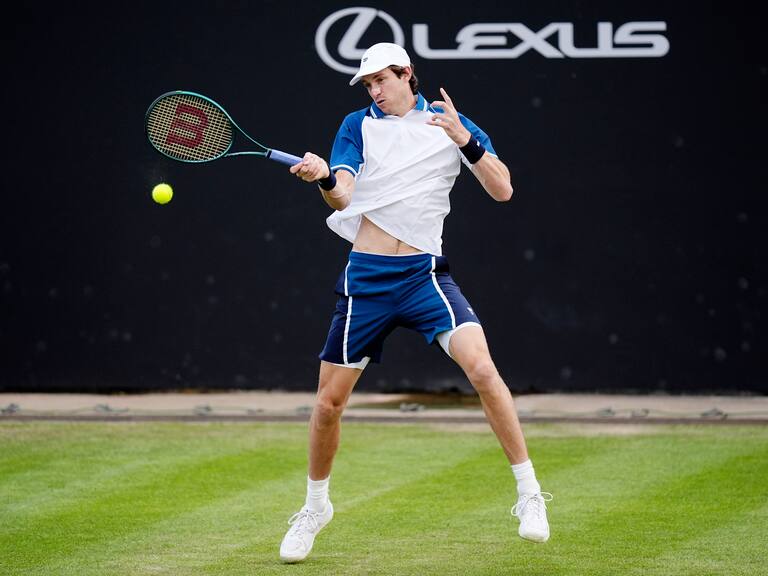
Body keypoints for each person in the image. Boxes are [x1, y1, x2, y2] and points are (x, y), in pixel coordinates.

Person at [279, 42, 552, 563]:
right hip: (367, 279)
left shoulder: (449, 121)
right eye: (368, 85)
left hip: (425, 275)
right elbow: (343, 192)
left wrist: (465, 139)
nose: (375, 91)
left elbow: (503, 190)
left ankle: (530, 495)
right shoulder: (356, 126)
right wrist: (322, 180)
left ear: (408, 74)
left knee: (483, 370)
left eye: (381, 80)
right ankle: (315, 507)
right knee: (328, 404)